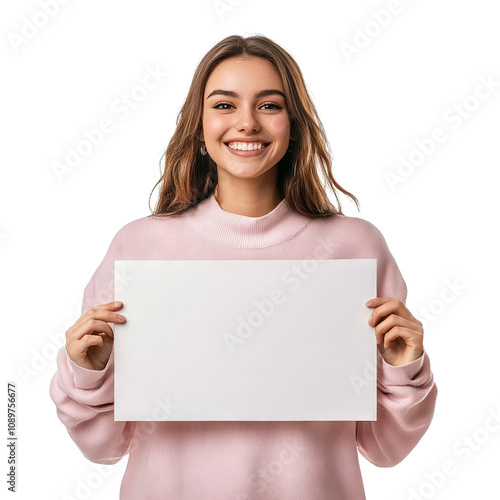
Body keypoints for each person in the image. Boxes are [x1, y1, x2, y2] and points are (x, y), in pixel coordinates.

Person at [50, 34, 437, 499]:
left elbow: (385, 448)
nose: (247, 123)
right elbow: (105, 446)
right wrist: (88, 372)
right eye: (225, 105)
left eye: (269, 105)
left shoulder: (355, 247)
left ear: (293, 124)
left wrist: (404, 367)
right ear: (199, 124)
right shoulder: (140, 245)